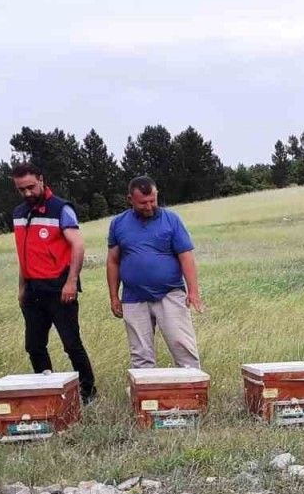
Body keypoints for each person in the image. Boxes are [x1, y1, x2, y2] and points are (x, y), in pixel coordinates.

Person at [10, 162, 97, 403]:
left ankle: (88, 393)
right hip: (32, 290)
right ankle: (47, 393)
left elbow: (78, 245)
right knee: (34, 346)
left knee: (71, 344)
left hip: (59, 288)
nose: (27, 193)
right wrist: (21, 288)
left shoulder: (61, 209)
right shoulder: (18, 214)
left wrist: (71, 282)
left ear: (41, 179)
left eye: (31, 187)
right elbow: (24, 255)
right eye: (21, 189)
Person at [107, 176, 203, 369]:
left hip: (170, 294)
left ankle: (192, 386)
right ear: (130, 199)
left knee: (183, 348)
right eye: (143, 203)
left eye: (153, 200)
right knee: (140, 355)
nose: (149, 206)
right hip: (133, 297)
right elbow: (113, 261)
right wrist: (114, 297)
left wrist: (193, 292)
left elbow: (186, 257)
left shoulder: (172, 220)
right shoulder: (118, 223)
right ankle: (145, 388)